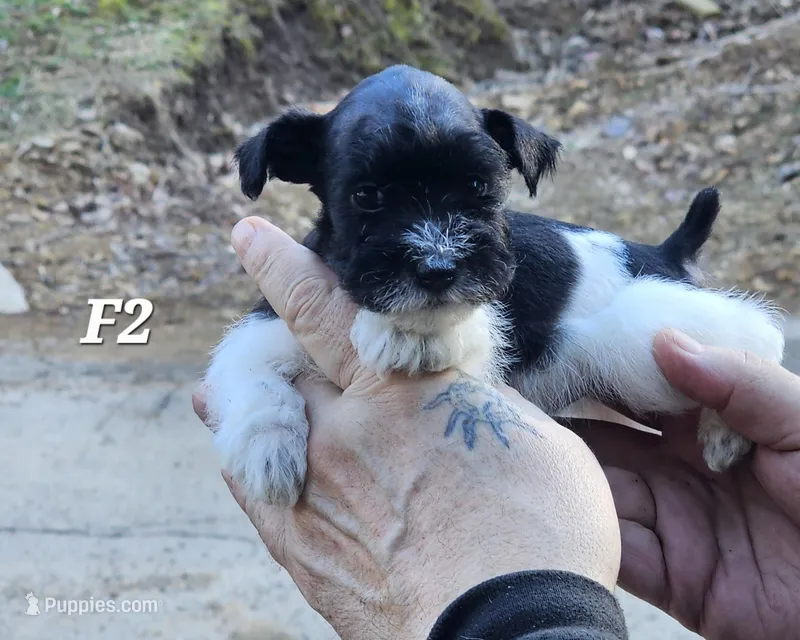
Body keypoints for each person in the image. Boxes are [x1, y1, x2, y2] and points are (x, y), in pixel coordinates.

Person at [193, 216, 800, 640]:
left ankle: (742, 334)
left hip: (610, 295)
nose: (434, 251)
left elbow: (460, 355)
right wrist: (262, 412)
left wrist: (507, 606)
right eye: (372, 201)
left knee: (653, 354)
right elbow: (241, 362)